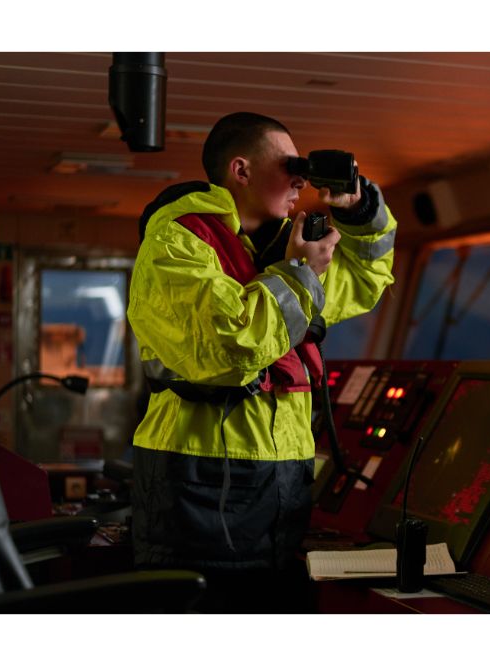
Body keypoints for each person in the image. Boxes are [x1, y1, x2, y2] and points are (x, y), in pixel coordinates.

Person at [126, 112, 397, 612]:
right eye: (288, 166)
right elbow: (229, 349)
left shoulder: (279, 253)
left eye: (303, 170)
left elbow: (366, 277)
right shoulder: (177, 243)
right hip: (198, 498)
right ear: (241, 171)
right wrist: (297, 274)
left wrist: (360, 210)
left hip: (280, 498)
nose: (300, 180)